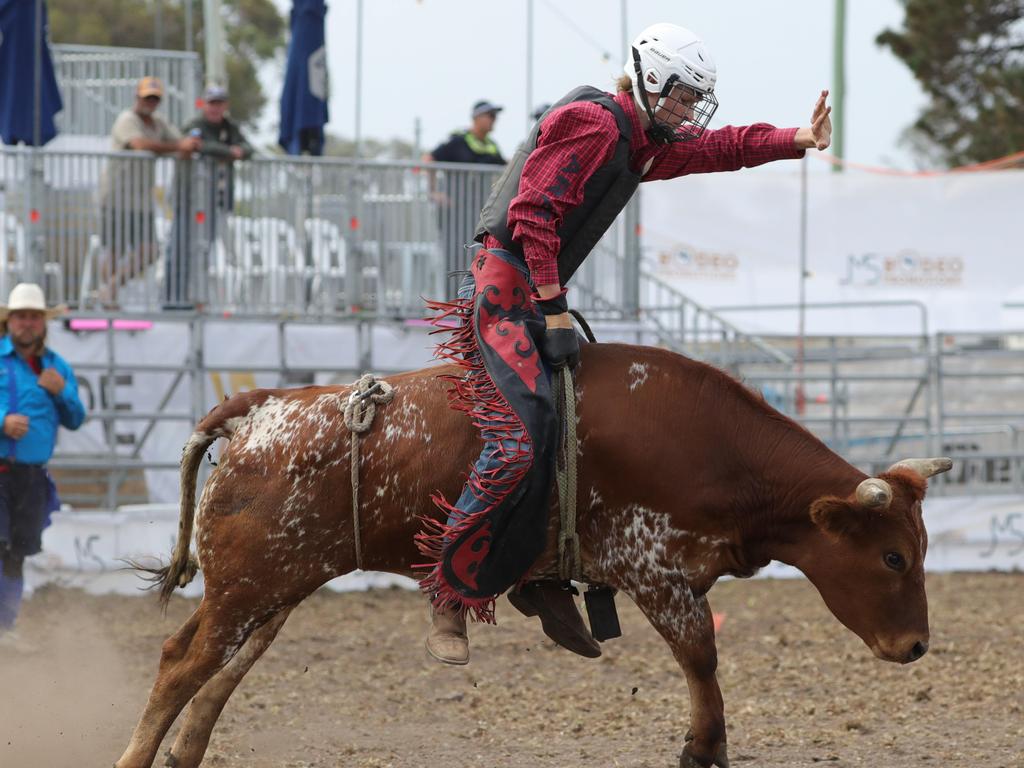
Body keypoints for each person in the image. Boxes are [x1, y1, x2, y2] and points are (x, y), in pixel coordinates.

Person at [418, 22, 833, 665]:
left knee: (574, 436)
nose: (691, 113)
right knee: (521, 436)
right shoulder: (592, 123)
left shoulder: (641, 142)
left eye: (696, 101)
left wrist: (796, 138)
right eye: (684, 98)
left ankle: (538, 574)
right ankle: (450, 592)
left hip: (531, 292)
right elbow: (531, 215)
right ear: (649, 80)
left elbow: (723, 148)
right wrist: (554, 308)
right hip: (505, 291)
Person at [0, 283, 85, 641]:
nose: (28, 323)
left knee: (16, 551)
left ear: (43, 323)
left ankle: (6, 626)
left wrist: (61, 391)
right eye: (21, 316)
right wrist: (2, 420)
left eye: (34, 316)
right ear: (10, 321)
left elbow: (76, 417)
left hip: (31, 476)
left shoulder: (57, 367)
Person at [98, 76, 202, 305]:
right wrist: (178, 147)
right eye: (147, 97)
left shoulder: (159, 123)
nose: (150, 102)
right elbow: (139, 145)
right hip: (115, 197)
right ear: (137, 97)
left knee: (150, 251)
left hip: (141, 200)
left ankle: (111, 287)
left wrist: (189, 145)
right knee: (114, 249)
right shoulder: (127, 119)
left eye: (155, 98)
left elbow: (181, 144)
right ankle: (108, 299)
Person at [164, 84, 254, 309]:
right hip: (189, 200)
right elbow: (197, 145)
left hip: (214, 202)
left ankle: (197, 299)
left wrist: (235, 151)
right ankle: (173, 300)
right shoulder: (195, 126)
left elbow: (247, 148)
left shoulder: (229, 127)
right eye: (212, 103)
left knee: (203, 251)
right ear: (203, 104)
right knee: (179, 249)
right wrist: (227, 152)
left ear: (225, 105)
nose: (215, 108)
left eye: (219, 103)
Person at [424, 100, 507, 293]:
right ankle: (453, 305)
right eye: (490, 116)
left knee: (480, 258)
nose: (494, 120)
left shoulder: (491, 146)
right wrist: (434, 192)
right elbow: (429, 159)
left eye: (495, 116)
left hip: (478, 215)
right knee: (455, 259)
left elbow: (507, 168)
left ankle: (473, 307)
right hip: (454, 214)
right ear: (477, 118)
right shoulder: (458, 141)